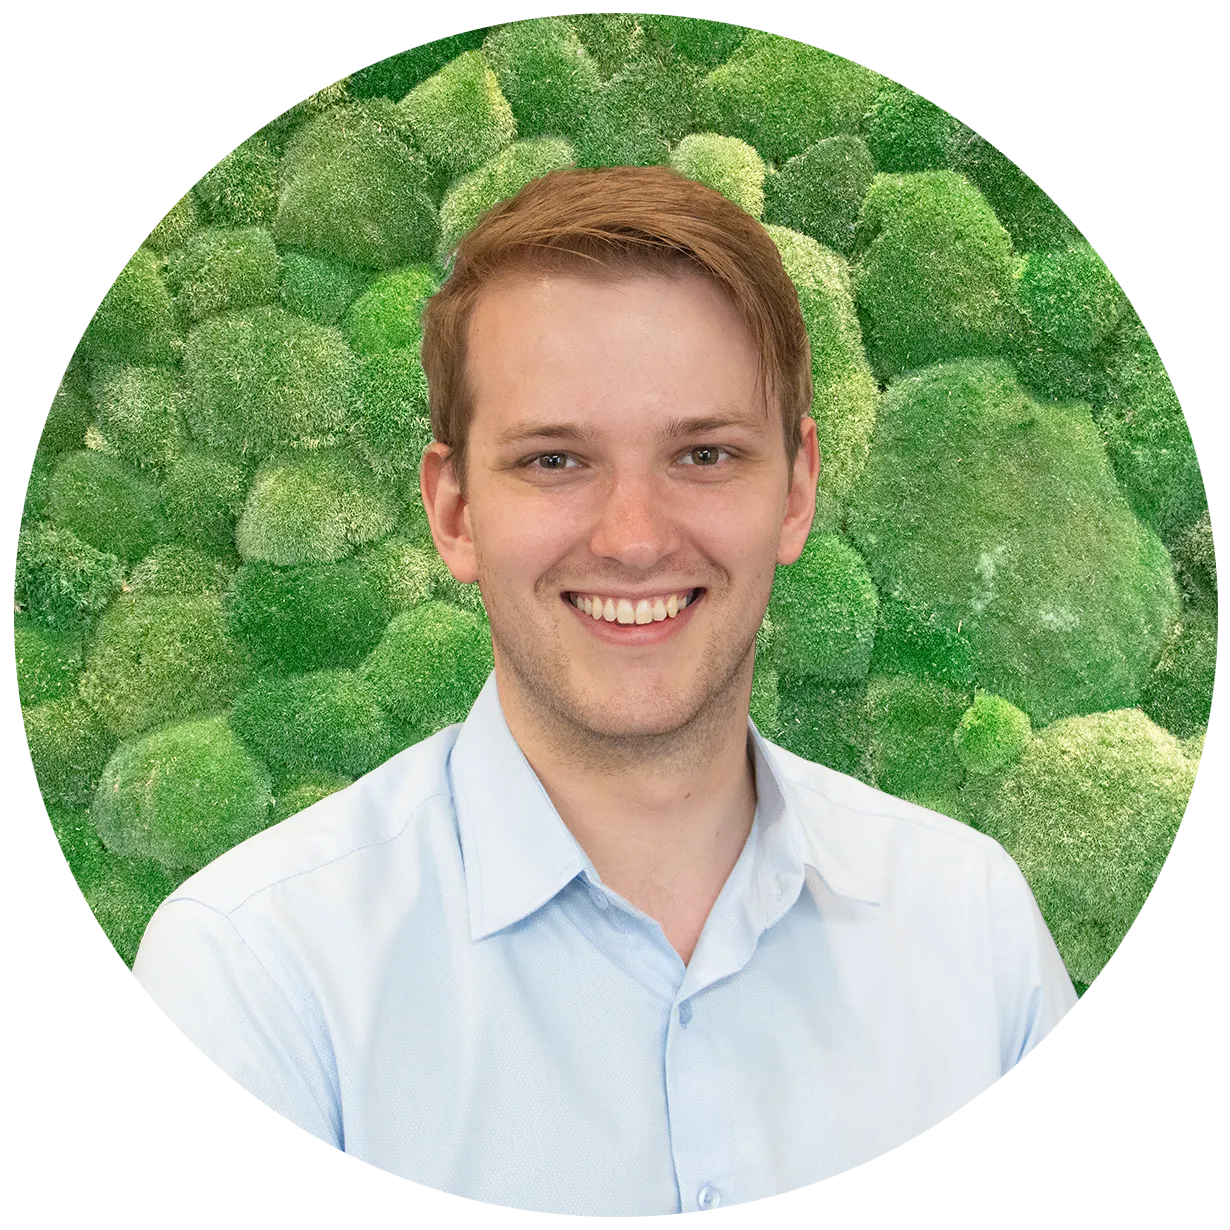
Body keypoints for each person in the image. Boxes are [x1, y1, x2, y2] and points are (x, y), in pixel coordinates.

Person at [133, 165, 1078, 1218]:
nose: (634, 538)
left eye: (705, 454)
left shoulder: (972, 925)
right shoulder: (256, 974)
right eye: (554, 462)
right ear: (452, 511)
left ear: (797, 491)